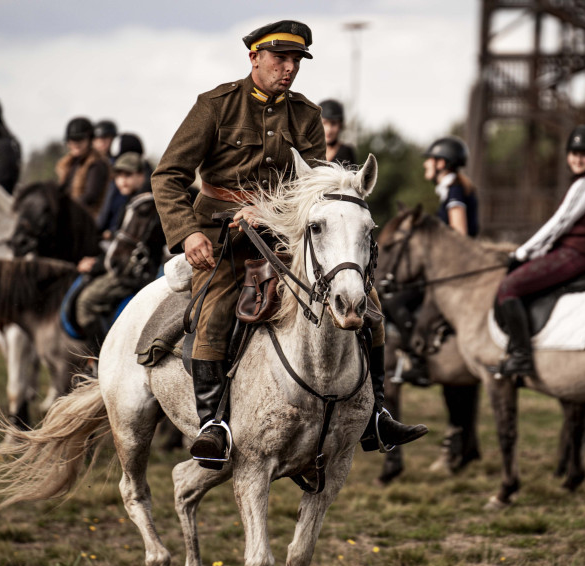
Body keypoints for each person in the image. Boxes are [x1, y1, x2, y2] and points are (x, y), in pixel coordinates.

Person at [152, 19, 427, 468]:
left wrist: (270, 212)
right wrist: (187, 231)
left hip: (283, 234)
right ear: (254, 58)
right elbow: (168, 176)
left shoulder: (306, 114)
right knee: (219, 303)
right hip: (220, 236)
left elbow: (316, 188)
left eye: (296, 60)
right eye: (280, 58)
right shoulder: (216, 105)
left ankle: (376, 413)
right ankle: (213, 424)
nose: (289, 68)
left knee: (368, 302)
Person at [494, 123, 585, 378]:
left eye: (584, 153)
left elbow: (558, 224)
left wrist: (522, 253)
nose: (578, 158)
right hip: (579, 252)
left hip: (577, 254)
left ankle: (522, 356)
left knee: (509, 288)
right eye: (573, 153)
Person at [76, 151, 161, 354]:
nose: (122, 180)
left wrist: (97, 265)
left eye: (128, 175)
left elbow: (126, 252)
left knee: (86, 303)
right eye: (119, 175)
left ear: (141, 175)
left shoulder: (146, 205)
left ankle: (102, 357)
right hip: (128, 268)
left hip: (135, 274)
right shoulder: (132, 202)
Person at [56, 116, 110, 220]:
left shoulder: (97, 164)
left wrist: (64, 208)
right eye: (72, 140)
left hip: (86, 222)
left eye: (80, 139)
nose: (75, 144)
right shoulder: (69, 164)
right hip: (70, 219)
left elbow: (90, 196)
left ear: (89, 140)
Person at [319, 99, 356, 165]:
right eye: (324, 123)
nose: (329, 129)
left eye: (333, 123)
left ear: (340, 126)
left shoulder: (346, 153)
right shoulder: (308, 152)